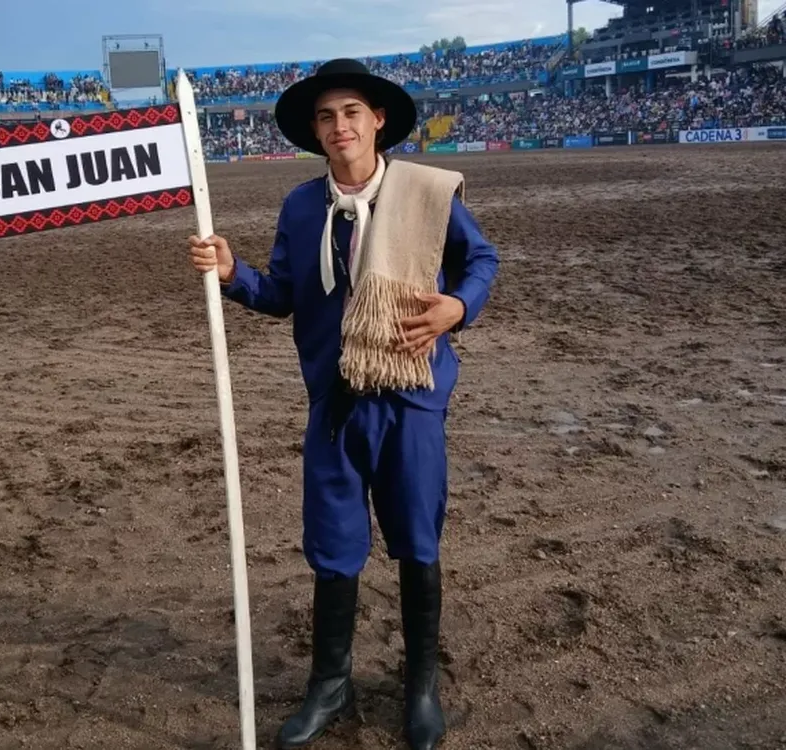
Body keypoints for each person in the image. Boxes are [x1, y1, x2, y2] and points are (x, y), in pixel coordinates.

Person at [187, 58, 500, 750]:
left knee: (416, 540)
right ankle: (331, 684)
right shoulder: (302, 207)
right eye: (327, 116)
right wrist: (234, 273)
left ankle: (420, 688)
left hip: (411, 399)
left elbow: (482, 260)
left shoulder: (425, 192)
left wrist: (457, 306)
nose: (340, 126)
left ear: (378, 120)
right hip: (334, 403)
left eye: (352, 112)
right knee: (333, 546)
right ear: (316, 131)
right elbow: (283, 295)